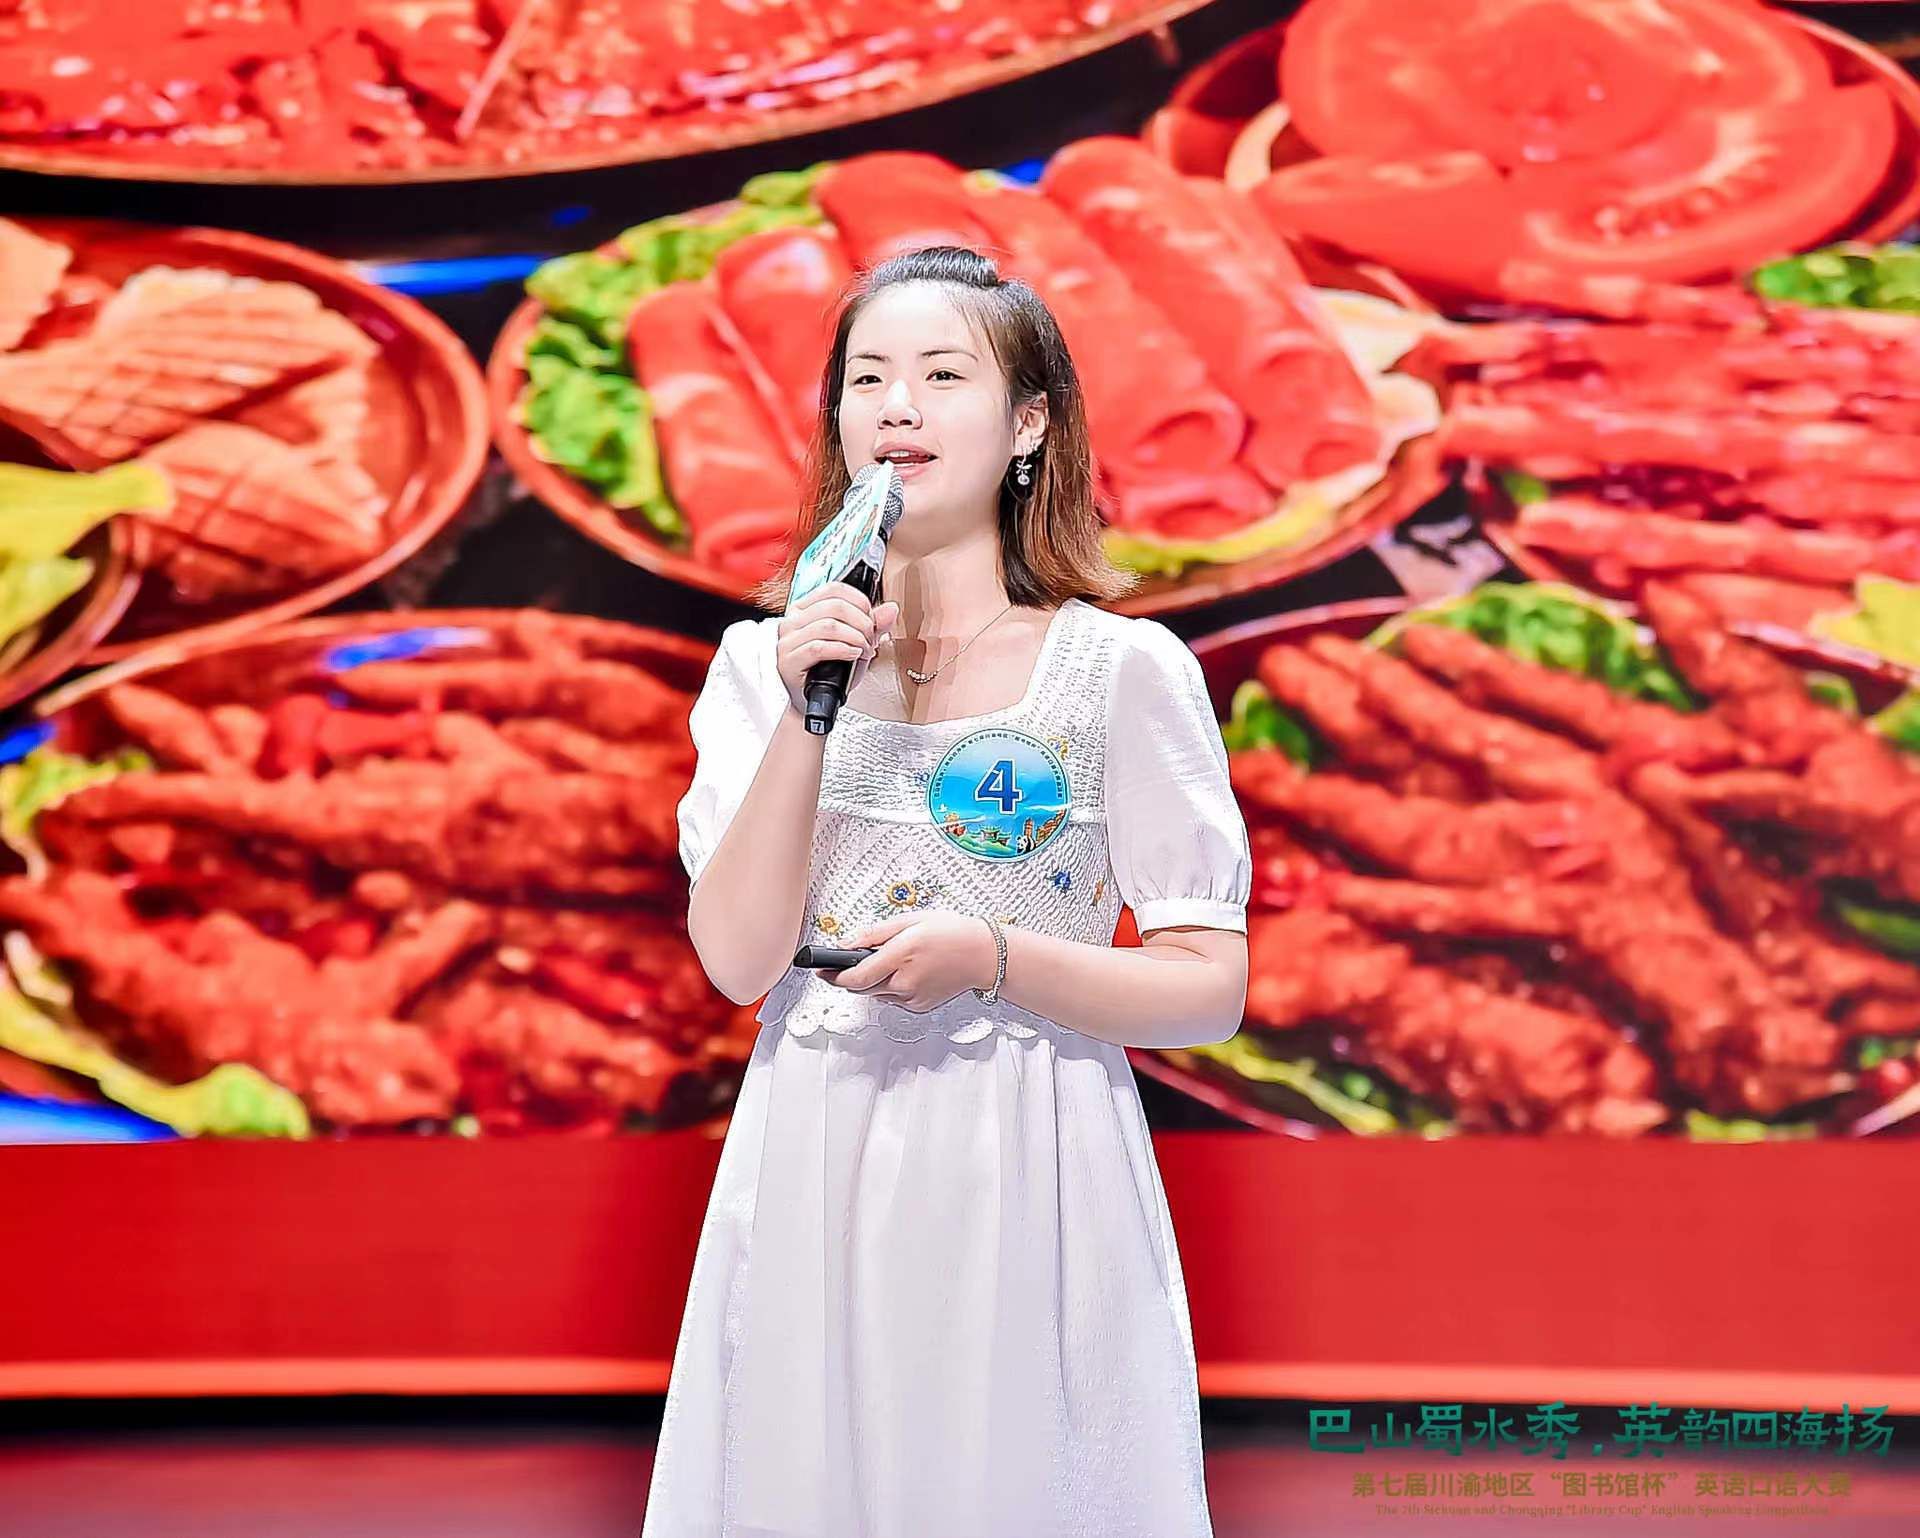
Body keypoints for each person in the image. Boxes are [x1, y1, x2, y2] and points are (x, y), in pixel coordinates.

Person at [645, 244, 1253, 1538]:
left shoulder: (1122, 670)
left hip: (1031, 1156)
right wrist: (808, 708)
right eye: (867, 379)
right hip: (814, 1146)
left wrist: (997, 957)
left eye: (940, 375)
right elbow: (739, 960)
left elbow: (1209, 990)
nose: (898, 408)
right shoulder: (760, 666)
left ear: (1029, 424)